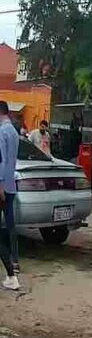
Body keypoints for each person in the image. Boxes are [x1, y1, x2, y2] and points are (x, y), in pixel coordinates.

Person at [0, 102, 19, 290]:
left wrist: (0, 183)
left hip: (2, 187)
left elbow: (2, 160)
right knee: (10, 225)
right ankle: (14, 261)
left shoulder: (2, 132)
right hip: (11, 185)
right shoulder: (14, 132)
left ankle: (11, 275)